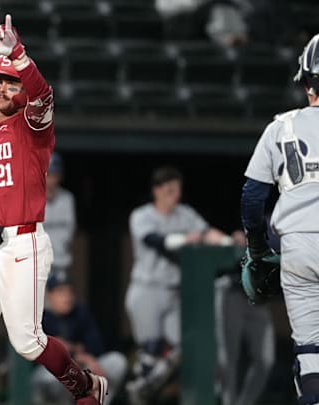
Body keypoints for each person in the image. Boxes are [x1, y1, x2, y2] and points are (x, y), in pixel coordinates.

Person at [0, 14, 108, 405]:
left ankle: (85, 386)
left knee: (27, 341)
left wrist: (18, 56)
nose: (3, 88)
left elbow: (43, 96)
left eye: (10, 82)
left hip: (22, 244)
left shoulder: (33, 127)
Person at [240, 33, 319, 405]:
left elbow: (253, 197)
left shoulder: (281, 126)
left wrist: (257, 248)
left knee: (309, 352)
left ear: (306, 83)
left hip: (298, 247)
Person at [124, 166, 232, 404]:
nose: (175, 196)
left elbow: (207, 232)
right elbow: (158, 242)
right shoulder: (142, 215)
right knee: (149, 351)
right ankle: (142, 389)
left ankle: (143, 387)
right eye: (169, 190)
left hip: (173, 291)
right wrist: (187, 239)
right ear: (157, 191)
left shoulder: (184, 214)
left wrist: (227, 241)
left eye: (177, 190)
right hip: (147, 289)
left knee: (187, 345)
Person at [32, 275, 128, 405]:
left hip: (83, 367)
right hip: (51, 374)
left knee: (116, 361)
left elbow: (96, 346)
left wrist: (84, 357)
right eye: (61, 292)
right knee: (51, 379)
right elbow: (48, 355)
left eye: (70, 291)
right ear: (49, 296)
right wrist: (76, 351)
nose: (67, 296)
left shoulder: (80, 313)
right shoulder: (41, 318)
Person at [214, 230, 275, 405]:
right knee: (227, 358)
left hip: (257, 295)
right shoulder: (244, 206)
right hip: (231, 289)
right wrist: (232, 237)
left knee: (266, 360)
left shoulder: (279, 214)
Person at [44, 152, 76, 278]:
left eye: (54, 175)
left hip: (61, 264)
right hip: (39, 265)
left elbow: (71, 232)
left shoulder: (67, 199)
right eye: (48, 175)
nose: (51, 179)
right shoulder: (31, 200)